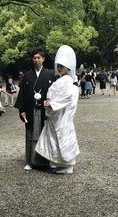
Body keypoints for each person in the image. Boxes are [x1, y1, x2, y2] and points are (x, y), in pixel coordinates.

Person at [35, 45, 80, 174]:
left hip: (62, 114)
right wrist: (50, 102)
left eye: (62, 66)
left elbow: (66, 97)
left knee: (62, 137)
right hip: (57, 114)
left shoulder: (68, 82)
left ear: (68, 66)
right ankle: (58, 163)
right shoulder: (63, 80)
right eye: (58, 65)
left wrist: (52, 104)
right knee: (55, 138)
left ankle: (67, 165)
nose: (59, 68)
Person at [14, 48, 56, 170]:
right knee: (30, 134)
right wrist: (21, 110)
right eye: (34, 58)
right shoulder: (27, 76)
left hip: (45, 110)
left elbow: (54, 92)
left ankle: (46, 161)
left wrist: (51, 102)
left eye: (39, 58)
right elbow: (22, 94)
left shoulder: (50, 74)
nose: (36, 60)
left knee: (45, 134)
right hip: (30, 109)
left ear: (43, 59)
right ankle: (30, 161)